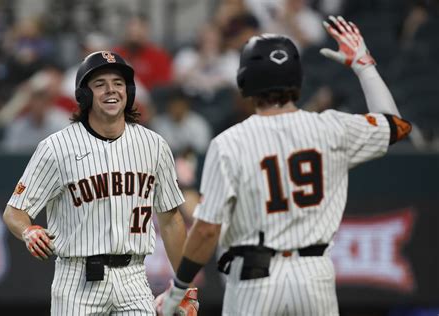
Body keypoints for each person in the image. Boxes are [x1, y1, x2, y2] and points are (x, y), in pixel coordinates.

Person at [158, 16, 412, 315]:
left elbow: (206, 232)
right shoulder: (332, 128)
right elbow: (396, 125)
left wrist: (178, 292)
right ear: (298, 79)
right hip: (314, 277)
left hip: (255, 281)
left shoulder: (229, 143)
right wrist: (363, 66)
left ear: (245, 82)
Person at [2, 51, 198, 315]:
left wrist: (184, 286)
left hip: (134, 278)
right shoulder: (56, 147)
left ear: (129, 90)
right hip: (77, 280)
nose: (111, 90)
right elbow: (14, 212)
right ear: (84, 95)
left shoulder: (154, 145)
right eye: (100, 84)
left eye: (118, 83)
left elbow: (171, 220)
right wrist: (28, 231)